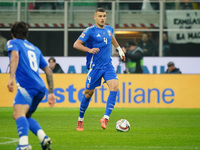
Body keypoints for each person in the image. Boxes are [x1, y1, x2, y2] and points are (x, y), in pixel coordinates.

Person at [73, 7, 125, 131]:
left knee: (115, 87)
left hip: (108, 66)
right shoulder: (90, 31)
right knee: (88, 93)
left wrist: (119, 50)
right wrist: (89, 50)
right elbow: (76, 44)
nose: (102, 18)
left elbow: (111, 38)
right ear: (95, 17)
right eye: (100, 16)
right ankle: (80, 120)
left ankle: (105, 118)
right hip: (95, 67)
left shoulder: (109, 29)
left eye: (104, 16)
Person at [6, 21, 56, 150]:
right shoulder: (35, 49)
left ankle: (23, 144)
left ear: (13, 34)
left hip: (26, 86)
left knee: (19, 114)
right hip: (40, 88)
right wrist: (51, 92)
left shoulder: (13, 43)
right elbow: (48, 70)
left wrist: (11, 78)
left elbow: (15, 56)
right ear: (26, 34)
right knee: (24, 115)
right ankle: (44, 138)